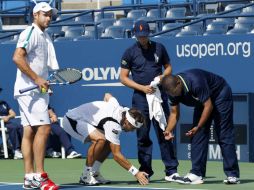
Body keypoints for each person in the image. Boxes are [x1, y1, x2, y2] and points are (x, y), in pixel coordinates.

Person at [120, 20, 180, 182]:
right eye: (139, 36)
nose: (142, 38)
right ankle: (146, 169)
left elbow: (168, 67)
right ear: (135, 35)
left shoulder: (159, 47)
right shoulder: (129, 52)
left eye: (145, 35)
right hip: (140, 99)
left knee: (165, 132)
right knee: (142, 135)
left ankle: (171, 170)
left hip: (159, 96)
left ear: (149, 34)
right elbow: (123, 78)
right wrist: (142, 88)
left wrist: (162, 76)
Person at [161, 68, 240, 185]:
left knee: (224, 133)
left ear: (179, 82)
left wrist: (198, 126)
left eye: (175, 91)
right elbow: (174, 113)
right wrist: (168, 130)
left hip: (220, 94)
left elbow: (208, 106)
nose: (174, 95)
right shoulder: (172, 90)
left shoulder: (195, 82)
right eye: (172, 94)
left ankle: (233, 175)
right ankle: (197, 173)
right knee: (197, 135)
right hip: (202, 101)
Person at [12, 2, 59, 190]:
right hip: (29, 90)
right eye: (45, 14)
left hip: (35, 90)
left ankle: (29, 176)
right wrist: (37, 79)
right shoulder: (29, 33)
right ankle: (40, 176)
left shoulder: (45, 36)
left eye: (50, 15)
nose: (48, 18)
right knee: (45, 128)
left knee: (29, 131)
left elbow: (41, 65)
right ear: (35, 15)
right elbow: (17, 57)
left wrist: (43, 83)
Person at [62, 93, 149, 186]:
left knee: (109, 142)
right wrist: (136, 173)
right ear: (127, 122)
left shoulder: (119, 107)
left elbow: (107, 95)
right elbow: (116, 155)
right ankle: (86, 175)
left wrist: (102, 112)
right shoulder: (113, 125)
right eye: (132, 127)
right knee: (100, 139)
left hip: (85, 120)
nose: (132, 131)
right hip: (72, 120)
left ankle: (94, 172)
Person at [0, 87, 23, 159]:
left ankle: (23, 149)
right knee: (13, 127)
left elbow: (13, 114)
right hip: (1, 123)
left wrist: (8, 117)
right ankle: (16, 150)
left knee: (20, 127)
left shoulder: (4, 103)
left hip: (6, 123)